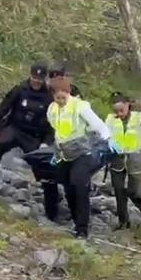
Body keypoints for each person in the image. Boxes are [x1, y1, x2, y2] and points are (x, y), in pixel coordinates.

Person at [0, 63, 61, 222]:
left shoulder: (49, 97)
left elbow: (53, 124)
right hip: (15, 128)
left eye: (39, 80)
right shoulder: (20, 89)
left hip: (35, 135)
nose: (36, 82)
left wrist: (46, 142)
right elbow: (3, 109)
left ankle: (52, 207)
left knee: (43, 164)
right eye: (33, 79)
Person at [47, 74, 117, 239]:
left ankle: (82, 229)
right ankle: (75, 216)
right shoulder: (51, 109)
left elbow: (99, 125)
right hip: (64, 153)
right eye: (57, 98)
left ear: (68, 92)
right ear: (52, 95)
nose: (60, 101)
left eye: (63, 97)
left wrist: (108, 140)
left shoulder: (80, 106)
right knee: (68, 187)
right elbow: (56, 131)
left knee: (79, 186)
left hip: (82, 153)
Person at [104, 92, 141, 230]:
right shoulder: (110, 119)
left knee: (134, 190)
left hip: (135, 158)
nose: (119, 113)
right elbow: (105, 135)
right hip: (117, 159)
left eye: (121, 110)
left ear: (128, 105)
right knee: (118, 190)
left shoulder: (139, 118)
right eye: (116, 111)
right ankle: (123, 222)